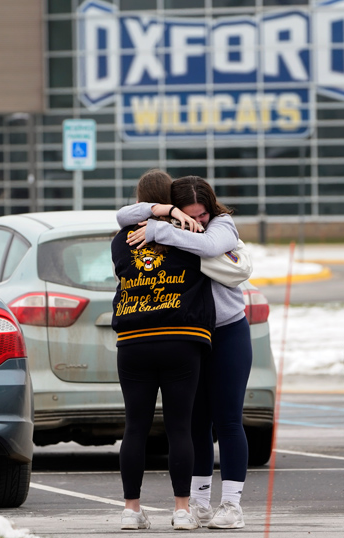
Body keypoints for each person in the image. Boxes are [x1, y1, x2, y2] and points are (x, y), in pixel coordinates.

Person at [117, 175, 252, 529]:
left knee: (228, 418)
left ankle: (232, 506)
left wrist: (159, 231)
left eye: (202, 213)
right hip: (191, 337)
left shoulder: (222, 225)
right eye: (190, 213)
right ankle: (200, 503)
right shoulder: (173, 221)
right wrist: (165, 213)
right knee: (195, 423)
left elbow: (209, 246)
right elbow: (121, 216)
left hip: (227, 332)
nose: (198, 220)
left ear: (212, 208)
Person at [111, 169, 216, 531]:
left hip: (134, 340)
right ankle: (183, 509)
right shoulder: (189, 232)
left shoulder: (121, 240)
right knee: (179, 427)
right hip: (181, 338)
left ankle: (130, 508)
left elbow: (123, 249)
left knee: (135, 427)